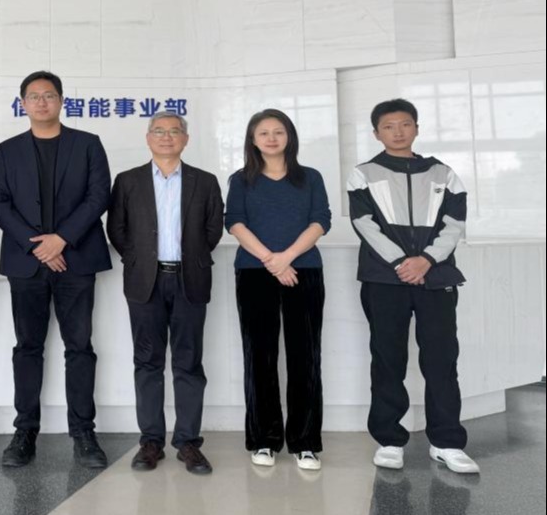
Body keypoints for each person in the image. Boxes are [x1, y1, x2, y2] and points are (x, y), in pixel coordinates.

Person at [0, 70, 113, 469]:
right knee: (27, 347)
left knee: (80, 347)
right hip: (27, 264)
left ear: (61, 101)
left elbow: (99, 195)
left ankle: (84, 433)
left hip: (77, 259)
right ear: (23, 103)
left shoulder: (88, 144)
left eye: (49, 95)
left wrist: (63, 239)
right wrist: (38, 246)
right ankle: (25, 432)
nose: (41, 102)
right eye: (34, 96)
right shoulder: (7, 150)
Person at [347, 98, 479, 474]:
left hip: (435, 277)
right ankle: (389, 440)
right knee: (387, 359)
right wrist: (401, 263)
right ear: (377, 133)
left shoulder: (443, 174)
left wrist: (427, 260)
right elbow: (364, 224)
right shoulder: (363, 174)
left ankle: (447, 442)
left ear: (416, 128)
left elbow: (454, 224)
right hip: (383, 279)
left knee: (441, 359)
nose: (398, 132)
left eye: (405, 124)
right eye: (388, 126)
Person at [107, 111, 223, 474]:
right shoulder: (128, 181)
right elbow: (117, 229)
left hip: (190, 280)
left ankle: (188, 442)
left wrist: (191, 258)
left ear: (186, 139)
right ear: (148, 138)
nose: (167, 136)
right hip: (146, 282)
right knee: (148, 362)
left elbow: (213, 230)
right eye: (159, 131)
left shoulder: (205, 181)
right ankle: (151, 442)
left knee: (189, 363)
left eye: (175, 131)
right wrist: (139, 259)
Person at [224, 109, 331, 471]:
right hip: (255, 272)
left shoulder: (310, 177)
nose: (271, 138)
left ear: (290, 137)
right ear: (253, 140)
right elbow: (234, 223)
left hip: (304, 270)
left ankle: (305, 442)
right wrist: (272, 261)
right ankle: (264, 440)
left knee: (306, 356)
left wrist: (286, 258)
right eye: (263, 133)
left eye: (278, 131)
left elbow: (321, 221)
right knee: (260, 357)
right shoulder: (241, 180)